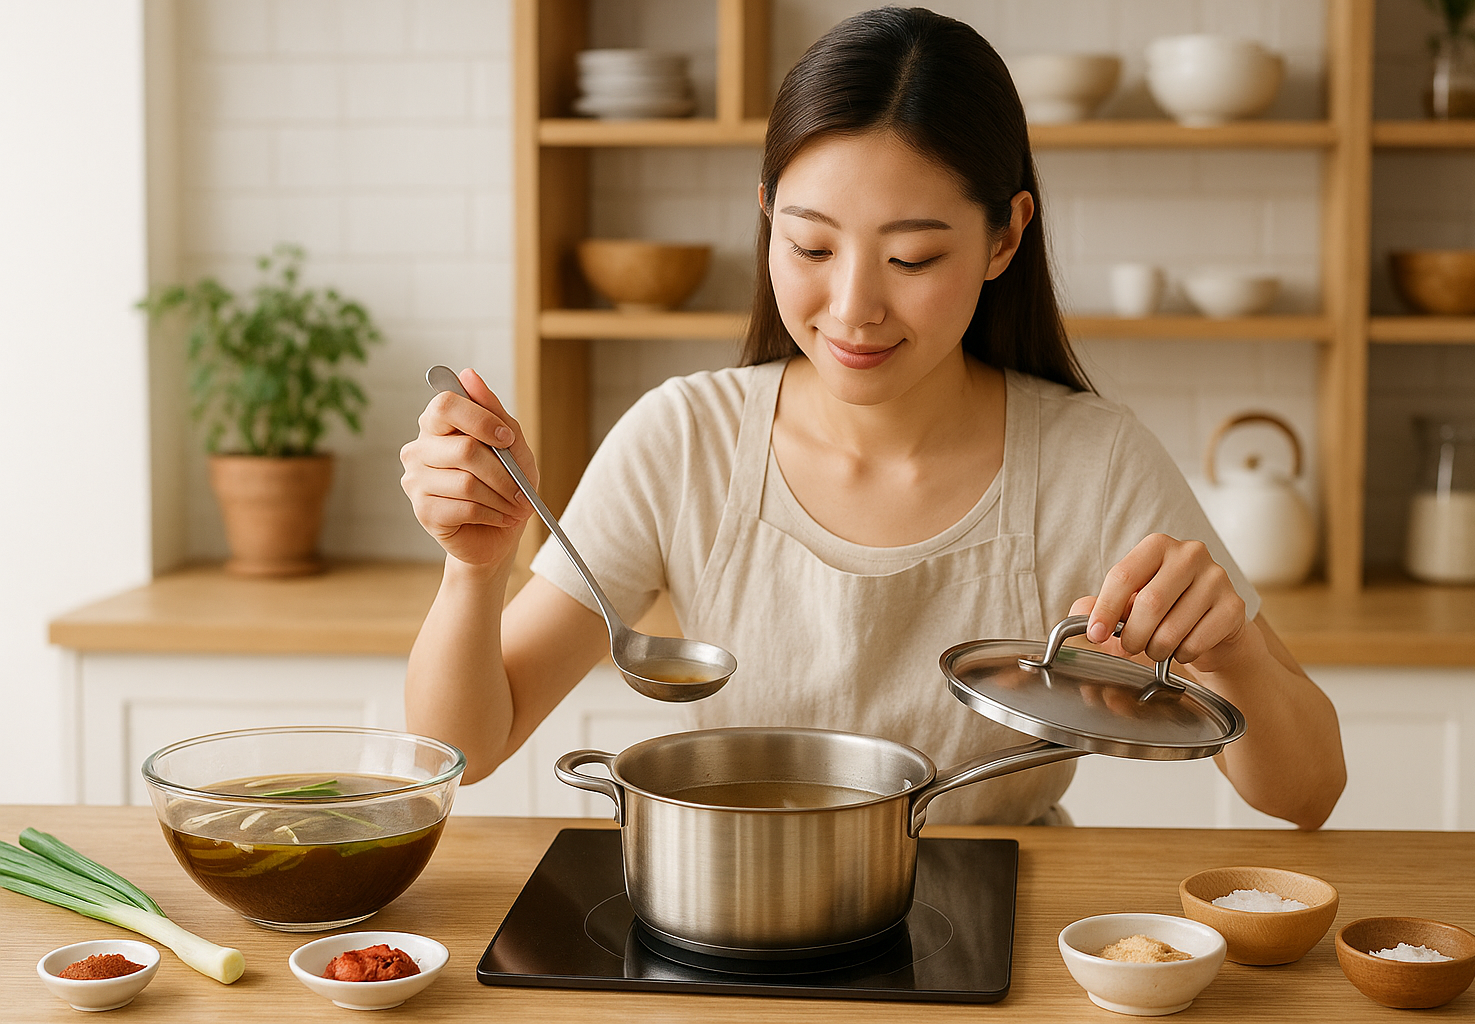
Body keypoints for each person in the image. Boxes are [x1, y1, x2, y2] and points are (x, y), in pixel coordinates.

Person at [400, 6, 1346, 829]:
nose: (852, 309)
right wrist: (472, 573)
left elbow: (1308, 791)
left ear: (1005, 236)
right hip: (749, 915)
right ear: (767, 213)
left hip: (1007, 923)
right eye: (810, 245)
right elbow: (462, 749)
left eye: (912, 260)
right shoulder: (683, 440)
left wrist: (1234, 654)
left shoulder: (1093, 462)